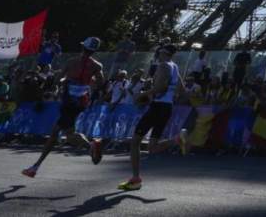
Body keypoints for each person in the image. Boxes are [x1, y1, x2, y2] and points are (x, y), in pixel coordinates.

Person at [22, 37, 107, 179]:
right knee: (62, 132)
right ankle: (36, 166)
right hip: (82, 101)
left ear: (82, 48)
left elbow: (57, 80)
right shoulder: (97, 65)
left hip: (69, 100)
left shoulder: (71, 62)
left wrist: (65, 81)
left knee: (62, 133)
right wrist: (88, 82)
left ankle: (91, 146)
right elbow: (101, 82)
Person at [120, 45, 185, 191]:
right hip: (167, 106)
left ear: (162, 53)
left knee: (135, 141)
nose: (157, 55)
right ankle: (177, 139)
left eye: (159, 52)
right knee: (152, 148)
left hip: (158, 107)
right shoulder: (175, 67)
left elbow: (159, 88)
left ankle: (136, 179)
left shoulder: (163, 66)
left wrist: (141, 94)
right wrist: (166, 91)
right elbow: (180, 89)